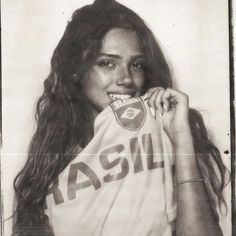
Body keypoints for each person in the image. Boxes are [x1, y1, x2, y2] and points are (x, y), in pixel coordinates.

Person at [12, 0, 228, 235]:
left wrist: (181, 138)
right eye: (107, 63)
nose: (125, 78)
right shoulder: (49, 163)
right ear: (76, 70)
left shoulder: (161, 134)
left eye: (136, 65)